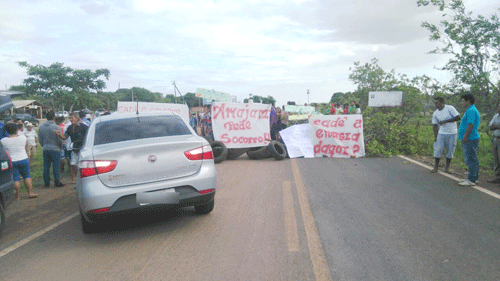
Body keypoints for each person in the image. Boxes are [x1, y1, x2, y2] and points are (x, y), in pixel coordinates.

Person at [1, 123, 37, 199]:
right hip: (24, 159)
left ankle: (17, 196)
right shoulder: (23, 137)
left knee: (16, 178)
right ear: (17, 130)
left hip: (12, 161)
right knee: (27, 176)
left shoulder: (3, 141)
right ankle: (30, 192)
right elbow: (27, 147)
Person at [55, 113, 88, 184]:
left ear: (77, 119)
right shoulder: (70, 127)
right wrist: (59, 134)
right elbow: (64, 137)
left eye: (72, 118)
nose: (71, 119)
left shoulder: (83, 126)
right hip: (74, 148)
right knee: (73, 164)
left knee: (82, 164)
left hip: (82, 148)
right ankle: (74, 178)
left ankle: (82, 178)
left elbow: (88, 135)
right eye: (70, 118)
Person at [430, 97, 461, 173]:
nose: (435, 105)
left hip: (452, 133)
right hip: (441, 133)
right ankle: (436, 167)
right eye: (434, 103)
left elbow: (458, 117)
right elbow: (434, 125)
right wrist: (435, 136)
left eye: (437, 103)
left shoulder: (450, 108)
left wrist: (446, 121)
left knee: (450, 150)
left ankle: (447, 168)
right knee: (438, 150)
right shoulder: (435, 113)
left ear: (442, 103)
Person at [458, 93, 480, 186]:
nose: (461, 103)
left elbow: (470, 125)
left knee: (471, 158)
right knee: (470, 158)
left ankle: (471, 179)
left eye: (463, 101)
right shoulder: (470, 110)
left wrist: (465, 137)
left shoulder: (471, 110)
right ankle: (473, 177)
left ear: (468, 101)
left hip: (470, 138)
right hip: (469, 138)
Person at [38, 110, 64, 188]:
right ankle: (57, 182)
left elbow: (40, 139)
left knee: (46, 166)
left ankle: (46, 182)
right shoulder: (56, 127)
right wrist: (60, 147)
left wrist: (43, 145)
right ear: (54, 118)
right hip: (55, 148)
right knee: (56, 166)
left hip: (45, 148)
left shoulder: (41, 127)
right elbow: (59, 139)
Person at [487, 106, 500, 183]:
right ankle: (497, 177)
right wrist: (497, 126)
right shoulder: (496, 116)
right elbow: (491, 127)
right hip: (495, 139)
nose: (498, 108)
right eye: (498, 107)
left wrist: (496, 126)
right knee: (496, 159)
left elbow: (494, 126)